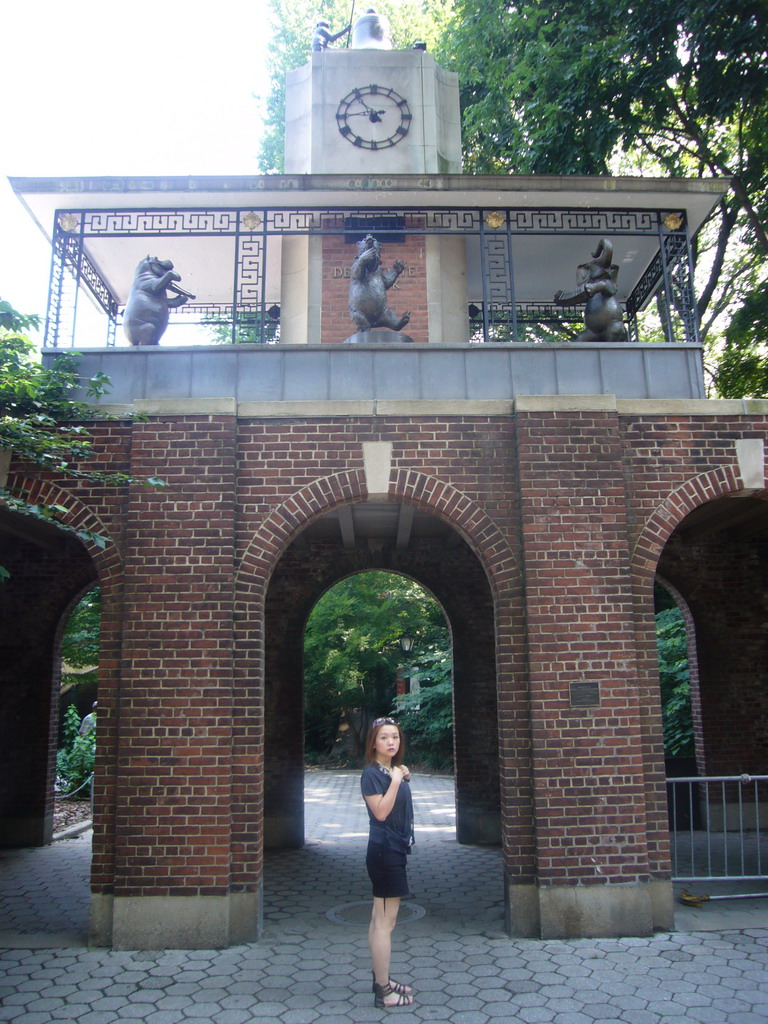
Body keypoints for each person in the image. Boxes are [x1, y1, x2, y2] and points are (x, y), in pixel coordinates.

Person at [360, 716, 415, 1009]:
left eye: (394, 736)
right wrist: (395, 781)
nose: (390, 742)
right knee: (385, 923)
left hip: (393, 849)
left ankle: (381, 979)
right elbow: (381, 812)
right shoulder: (372, 774)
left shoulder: (389, 770)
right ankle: (384, 991)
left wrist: (401, 777)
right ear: (373, 743)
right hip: (384, 852)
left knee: (378, 919)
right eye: (384, 737)